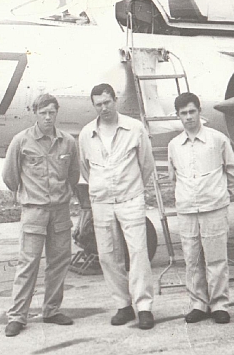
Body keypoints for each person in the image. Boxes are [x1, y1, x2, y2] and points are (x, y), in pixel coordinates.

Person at [2, 93, 80, 337]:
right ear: (35, 114)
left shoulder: (67, 142)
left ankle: (52, 310)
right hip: (34, 211)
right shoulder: (21, 141)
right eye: (43, 113)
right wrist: (28, 194)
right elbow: (9, 176)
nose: (48, 117)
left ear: (57, 113)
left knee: (59, 263)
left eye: (52, 112)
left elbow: (73, 175)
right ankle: (17, 316)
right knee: (28, 264)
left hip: (59, 212)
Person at [79, 83, 156, 330]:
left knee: (138, 253)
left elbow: (146, 164)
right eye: (98, 104)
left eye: (107, 102)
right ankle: (123, 305)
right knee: (108, 256)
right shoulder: (86, 134)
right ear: (94, 106)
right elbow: (85, 168)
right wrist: (102, 189)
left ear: (116, 100)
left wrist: (130, 189)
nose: (104, 108)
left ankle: (144, 307)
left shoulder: (135, 128)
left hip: (130, 199)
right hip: (101, 203)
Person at [168, 92, 234, 324]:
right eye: (183, 113)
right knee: (192, 259)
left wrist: (220, 196)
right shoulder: (174, 145)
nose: (188, 117)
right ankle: (198, 304)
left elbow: (233, 173)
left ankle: (219, 304)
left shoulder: (218, 139)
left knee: (217, 259)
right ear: (178, 116)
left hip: (214, 209)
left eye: (192, 111)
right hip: (187, 211)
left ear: (200, 112)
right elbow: (173, 178)